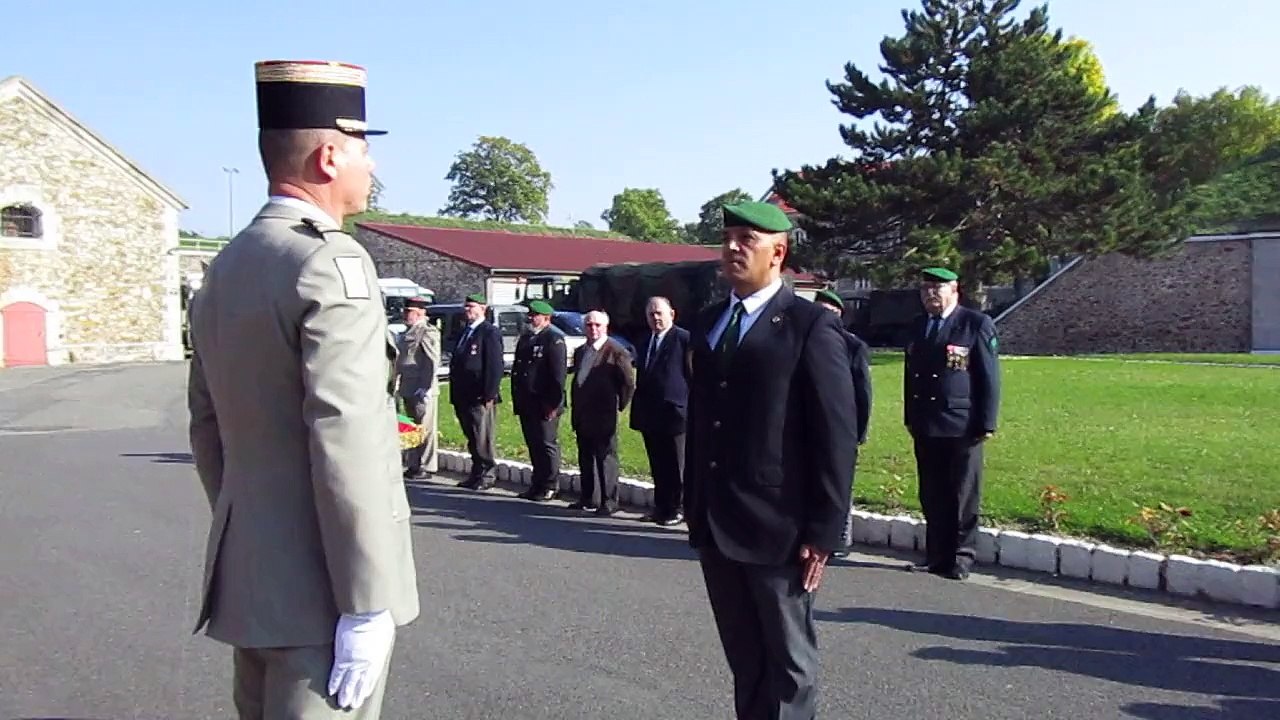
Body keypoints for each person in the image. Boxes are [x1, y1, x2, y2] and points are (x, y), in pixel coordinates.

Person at [186, 59, 418, 718]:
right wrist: (368, 601)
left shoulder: (228, 266)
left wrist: (258, 537)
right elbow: (347, 436)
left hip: (255, 581)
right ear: (327, 157)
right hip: (324, 592)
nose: (371, 169)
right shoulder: (328, 260)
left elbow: (208, 428)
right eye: (364, 152)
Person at [683, 201, 857, 719]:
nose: (732, 247)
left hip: (778, 526)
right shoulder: (711, 321)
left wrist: (824, 532)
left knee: (788, 669)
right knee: (746, 661)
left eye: (747, 239)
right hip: (717, 520)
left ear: (778, 252)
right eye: (728, 237)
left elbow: (835, 435)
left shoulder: (809, 327)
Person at [903, 266, 1001, 580]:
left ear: (954, 290)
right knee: (932, 493)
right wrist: (911, 417)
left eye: (937, 288)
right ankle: (936, 556)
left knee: (962, 494)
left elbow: (988, 377)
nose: (930, 294)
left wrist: (986, 422)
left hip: (962, 424)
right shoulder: (919, 326)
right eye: (925, 289)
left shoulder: (975, 324)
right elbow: (911, 376)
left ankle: (961, 557)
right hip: (926, 423)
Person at [812, 288, 873, 558]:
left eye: (827, 312)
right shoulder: (802, 341)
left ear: (838, 314)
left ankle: (839, 537)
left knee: (840, 483)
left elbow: (862, 391)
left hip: (843, 427)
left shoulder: (853, 346)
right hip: (810, 425)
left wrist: (860, 430)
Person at [629, 295, 692, 526]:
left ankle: (678, 508)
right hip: (651, 414)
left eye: (659, 313)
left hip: (675, 415)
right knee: (658, 464)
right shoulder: (645, 341)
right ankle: (661, 507)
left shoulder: (684, 339)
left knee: (677, 466)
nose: (655, 318)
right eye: (651, 314)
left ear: (672, 314)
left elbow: (693, 377)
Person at [568, 310, 636, 516]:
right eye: (589, 325)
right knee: (585, 455)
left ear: (606, 327)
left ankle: (609, 500)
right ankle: (588, 497)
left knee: (605, 456)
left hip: (604, 414)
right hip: (582, 412)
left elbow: (628, 383)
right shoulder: (581, 351)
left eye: (597, 325)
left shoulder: (616, 351)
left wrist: (618, 406)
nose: (593, 329)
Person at [510, 299, 567, 502]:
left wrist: (553, 404)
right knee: (533, 443)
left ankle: (551, 484)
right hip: (528, 402)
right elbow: (519, 371)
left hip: (545, 404)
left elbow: (557, 376)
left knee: (546, 444)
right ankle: (537, 483)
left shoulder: (554, 339)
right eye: (530, 315)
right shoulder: (526, 338)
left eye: (535, 315)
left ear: (546, 318)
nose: (531, 318)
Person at [448, 292, 504, 490]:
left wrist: (489, 393)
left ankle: (487, 474)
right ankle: (476, 471)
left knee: (482, 436)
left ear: (483, 309)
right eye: (466, 306)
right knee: (471, 436)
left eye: (472, 306)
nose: (467, 310)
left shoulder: (489, 332)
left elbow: (494, 366)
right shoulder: (465, 332)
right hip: (464, 393)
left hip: (480, 395)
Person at [396, 295, 441, 480]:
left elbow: (432, 360)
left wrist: (427, 387)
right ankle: (414, 464)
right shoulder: (407, 332)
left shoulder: (426, 332)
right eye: (405, 311)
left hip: (422, 388)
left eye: (410, 312)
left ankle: (427, 465)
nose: (406, 315)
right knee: (412, 428)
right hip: (408, 386)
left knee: (425, 427)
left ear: (421, 312)